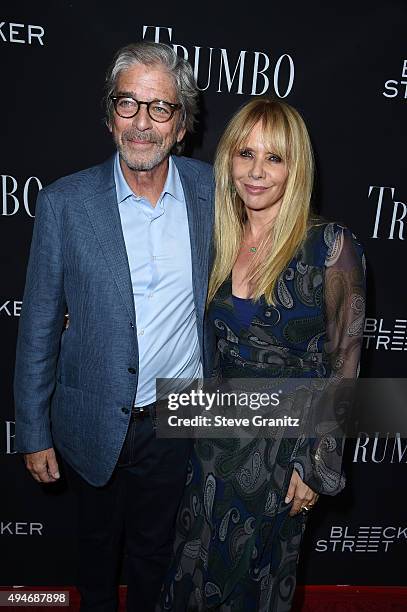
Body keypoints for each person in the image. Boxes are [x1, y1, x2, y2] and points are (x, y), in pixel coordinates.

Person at [14, 41, 214, 612]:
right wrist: (33, 430)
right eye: (128, 104)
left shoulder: (212, 192)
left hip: (179, 417)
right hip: (91, 417)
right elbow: (39, 325)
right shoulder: (64, 204)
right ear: (109, 117)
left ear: (181, 125)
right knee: (95, 555)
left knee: (158, 554)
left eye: (160, 108)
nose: (142, 123)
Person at [159, 98, 366, 611]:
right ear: (227, 160)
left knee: (257, 585)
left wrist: (317, 467)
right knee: (193, 571)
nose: (256, 171)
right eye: (245, 154)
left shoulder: (330, 247)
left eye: (274, 158)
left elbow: (345, 366)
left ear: (297, 168)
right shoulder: (216, 237)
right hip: (210, 445)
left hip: (283, 453)